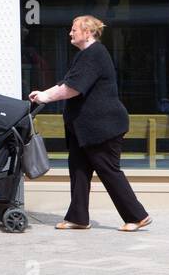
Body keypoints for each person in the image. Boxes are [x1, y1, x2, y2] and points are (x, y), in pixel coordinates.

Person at [29, 15, 151, 232]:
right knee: (78, 169)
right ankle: (78, 217)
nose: (70, 33)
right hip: (84, 129)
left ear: (87, 32)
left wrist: (45, 97)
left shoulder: (95, 54)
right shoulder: (85, 55)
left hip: (102, 128)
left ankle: (138, 216)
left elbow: (73, 88)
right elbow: (67, 82)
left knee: (108, 170)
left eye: (74, 29)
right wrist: (44, 93)